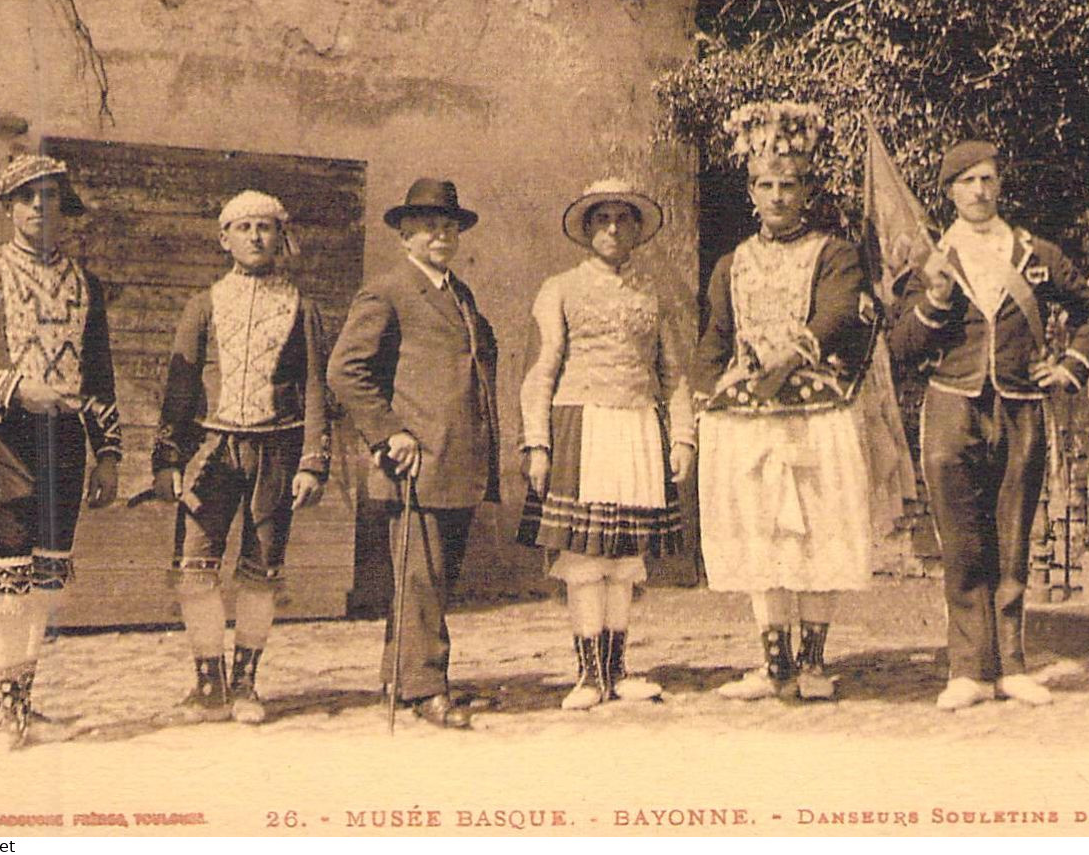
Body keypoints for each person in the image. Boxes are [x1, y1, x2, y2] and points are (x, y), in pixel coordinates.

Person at [887, 140, 1089, 711]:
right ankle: (968, 670)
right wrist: (935, 300)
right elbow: (901, 346)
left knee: (1014, 538)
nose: (980, 191)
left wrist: (1068, 367)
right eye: (967, 182)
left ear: (999, 185)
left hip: (1019, 404)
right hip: (950, 406)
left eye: (988, 179)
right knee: (961, 543)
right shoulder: (931, 260)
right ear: (950, 193)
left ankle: (1011, 664)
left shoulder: (1035, 254)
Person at [691, 101, 882, 702]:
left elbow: (836, 313)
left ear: (806, 191)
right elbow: (716, 336)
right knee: (763, 537)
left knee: (814, 533)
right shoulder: (731, 263)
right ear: (752, 192)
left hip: (814, 415)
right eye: (766, 186)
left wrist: (791, 355)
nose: (778, 197)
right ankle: (774, 665)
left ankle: (814, 663)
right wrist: (697, 401)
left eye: (789, 186)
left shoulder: (834, 254)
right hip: (749, 420)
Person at [0, 153, 122, 748]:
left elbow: (99, 376)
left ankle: (27, 699)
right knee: (8, 576)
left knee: (44, 578)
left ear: (64, 209)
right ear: (9, 208)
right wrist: (17, 388)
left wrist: (109, 452)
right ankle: (5, 708)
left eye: (50, 197)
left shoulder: (86, 285)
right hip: (4, 440)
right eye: (27, 197)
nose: (40, 207)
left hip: (65, 443)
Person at [151, 190, 329, 725]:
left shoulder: (303, 307)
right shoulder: (203, 305)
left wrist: (312, 461)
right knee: (195, 568)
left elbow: (317, 387)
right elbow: (180, 388)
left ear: (281, 237)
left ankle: (247, 685)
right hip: (211, 451)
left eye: (266, 227)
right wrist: (167, 457)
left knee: (261, 571)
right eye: (244, 227)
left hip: (276, 451)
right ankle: (209, 684)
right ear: (223, 238)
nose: (255, 237)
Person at [518, 179, 696, 710]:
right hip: (582, 423)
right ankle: (587, 676)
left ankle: (618, 670)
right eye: (602, 219)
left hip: (638, 425)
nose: (613, 229)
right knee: (584, 556)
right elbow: (540, 369)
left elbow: (674, 373)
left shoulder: (653, 293)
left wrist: (682, 435)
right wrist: (537, 443)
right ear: (587, 230)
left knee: (624, 557)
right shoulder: (560, 288)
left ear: (638, 230)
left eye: (623, 219)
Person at [328, 178, 497, 730]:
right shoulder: (389, 291)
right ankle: (427, 689)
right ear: (405, 235)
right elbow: (345, 371)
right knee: (420, 580)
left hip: (458, 460)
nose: (440, 234)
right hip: (415, 461)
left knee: (429, 580)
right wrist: (390, 434)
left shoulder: (460, 294)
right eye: (427, 226)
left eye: (448, 225)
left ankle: (401, 680)